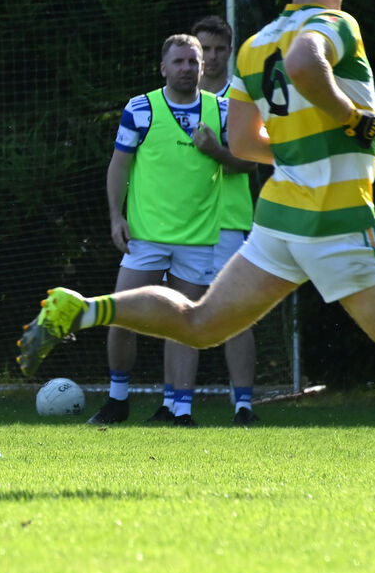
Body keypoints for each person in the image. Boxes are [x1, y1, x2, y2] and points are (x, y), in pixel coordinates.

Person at [18, 0, 375, 461]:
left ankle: (89, 308)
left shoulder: (254, 46)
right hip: (338, 219)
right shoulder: (337, 24)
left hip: (280, 217)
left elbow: (242, 140)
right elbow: (307, 61)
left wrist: (304, 143)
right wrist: (353, 119)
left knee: (200, 323)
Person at [82, 34, 253, 427]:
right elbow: (119, 165)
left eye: (193, 62)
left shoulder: (223, 111)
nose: (186, 68)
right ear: (163, 67)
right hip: (146, 237)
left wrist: (217, 153)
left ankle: (181, 410)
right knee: (121, 314)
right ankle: (118, 399)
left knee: (185, 323)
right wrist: (115, 216)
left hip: (197, 239)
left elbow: (248, 166)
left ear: (204, 67)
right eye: (178, 62)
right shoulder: (140, 108)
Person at [190, 15, 260, 426]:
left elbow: (249, 164)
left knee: (234, 312)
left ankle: (243, 405)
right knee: (178, 309)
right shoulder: (172, 99)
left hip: (229, 222)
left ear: (229, 53)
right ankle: (175, 405)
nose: (211, 58)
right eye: (204, 50)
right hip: (176, 226)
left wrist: (216, 152)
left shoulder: (241, 97)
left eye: (219, 50)